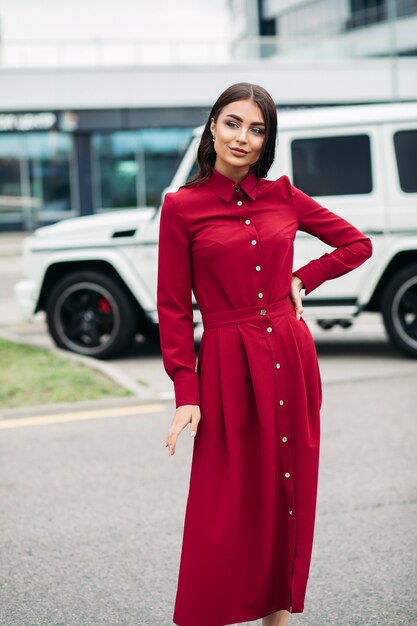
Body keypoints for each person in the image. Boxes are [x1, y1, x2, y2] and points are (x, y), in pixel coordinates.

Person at [157, 82, 373, 626]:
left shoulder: (284, 195)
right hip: (228, 361)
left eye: (257, 129)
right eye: (233, 123)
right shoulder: (181, 208)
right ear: (212, 127)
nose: (243, 138)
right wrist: (187, 390)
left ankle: (278, 619)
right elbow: (174, 308)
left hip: (289, 353)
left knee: (287, 491)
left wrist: (304, 276)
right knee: (222, 506)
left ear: (267, 139)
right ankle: (206, 613)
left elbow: (356, 245)